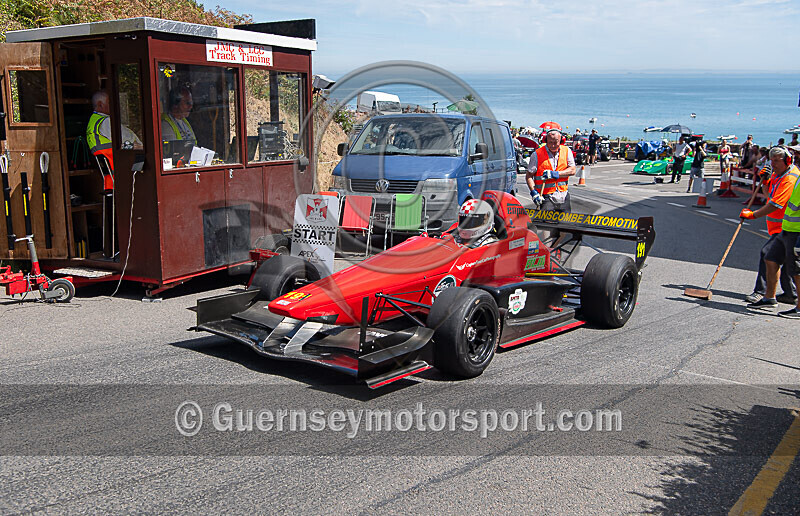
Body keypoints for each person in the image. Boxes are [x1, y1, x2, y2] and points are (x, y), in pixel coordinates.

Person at [741, 146, 799, 306]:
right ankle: (790, 294)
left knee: (768, 254)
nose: (773, 164)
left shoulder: (791, 178)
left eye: (776, 161)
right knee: (786, 260)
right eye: (771, 160)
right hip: (782, 226)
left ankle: (762, 292)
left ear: (788, 161)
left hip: (789, 227)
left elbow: (775, 204)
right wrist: (765, 182)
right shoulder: (777, 174)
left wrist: (753, 215)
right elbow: (769, 196)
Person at [86, 91, 143, 175]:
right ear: (100, 104)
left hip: (116, 171)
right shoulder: (106, 122)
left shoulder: (94, 122)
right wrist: (141, 146)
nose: (114, 106)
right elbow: (126, 142)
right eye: (110, 102)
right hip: (126, 168)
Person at [526, 124, 577, 213]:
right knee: (546, 221)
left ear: (561, 140)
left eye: (556, 142)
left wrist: (556, 174)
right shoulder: (537, 154)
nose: (553, 145)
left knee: (566, 221)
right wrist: (534, 193)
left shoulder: (567, 151)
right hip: (546, 198)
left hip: (563, 196)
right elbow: (529, 176)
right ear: (546, 141)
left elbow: (572, 170)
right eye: (550, 142)